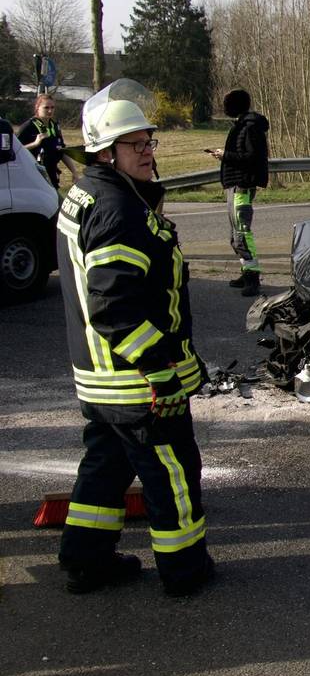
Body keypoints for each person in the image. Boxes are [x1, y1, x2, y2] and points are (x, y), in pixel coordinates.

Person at [56, 79, 214, 597]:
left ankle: (86, 561)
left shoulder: (86, 194)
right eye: (136, 144)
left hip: (101, 380)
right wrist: (161, 371)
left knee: (104, 471)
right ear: (106, 151)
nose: (148, 152)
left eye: (149, 141)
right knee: (173, 476)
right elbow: (113, 306)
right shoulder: (118, 211)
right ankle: (185, 570)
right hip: (137, 384)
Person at [210, 89, 269, 297]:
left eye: (226, 103)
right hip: (235, 185)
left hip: (242, 185)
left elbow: (251, 157)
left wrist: (225, 155)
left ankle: (253, 278)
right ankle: (246, 271)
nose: (224, 107)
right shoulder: (243, 125)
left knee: (242, 233)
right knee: (235, 235)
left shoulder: (249, 127)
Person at [18, 92, 79, 189]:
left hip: (52, 175)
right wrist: (35, 144)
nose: (50, 110)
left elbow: (62, 151)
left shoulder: (55, 126)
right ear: (37, 107)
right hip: (34, 176)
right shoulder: (28, 126)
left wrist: (74, 172)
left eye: (52, 107)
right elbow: (15, 151)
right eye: (46, 108)